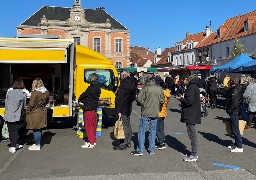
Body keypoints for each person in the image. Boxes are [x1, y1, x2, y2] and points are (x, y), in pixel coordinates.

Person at [131, 73, 164, 156]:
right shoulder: (159, 88)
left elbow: (138, 99)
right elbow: (162, 100)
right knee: (153, 131)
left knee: (142, 131)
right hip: (155, 112)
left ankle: (140, 150)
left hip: (146, 112)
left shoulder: (146, 88)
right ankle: (151, 149)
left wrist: (143, 103)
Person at [176, 74, 201, 162]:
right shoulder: (195, 87)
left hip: (190, 113)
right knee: (192, 133)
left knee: (192, 134)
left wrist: (181, 99)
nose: (184, 82)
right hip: (193, 112)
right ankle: (194, 153)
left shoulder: (191, 87)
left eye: (185, 80)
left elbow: (189, 101)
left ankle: (194, 154)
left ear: (187, 79)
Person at [114, 70, 137, 150]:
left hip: (123, 107)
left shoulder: (124, 84)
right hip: (128, 106)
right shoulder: (132, 83)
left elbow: (120, 98)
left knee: (124, 125)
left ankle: (124, 143)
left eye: (120, 75)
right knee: (127, 125)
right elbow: (134, 97)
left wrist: (119, 111)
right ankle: (128, 141)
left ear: (123, 75)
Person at [3, 78, 27, 153]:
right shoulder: (23, 94)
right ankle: (13, 146)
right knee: (15, 131)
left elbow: (6, 104)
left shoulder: (9, 93)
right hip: (16, 115)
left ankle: (14, 143)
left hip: (8, 114)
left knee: (11, 130)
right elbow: (23, 106)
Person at [78, 73, 101, 148]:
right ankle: (93, 141)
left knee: (89, 126)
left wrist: (80, 101)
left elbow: (83, 95)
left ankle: (90, 142)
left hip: (88, 109)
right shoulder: (98, 88)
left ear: (92, 79)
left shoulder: (90, 88)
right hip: (94, 108)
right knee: (94, 126)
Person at [26, 78, 49, 151]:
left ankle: (37, 144)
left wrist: (27, 111)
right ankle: (37, 143)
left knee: (36, 129)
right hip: (42, 111)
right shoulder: (46, 91)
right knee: (38, 128)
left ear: (35, 84)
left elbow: (31, 104)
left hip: (35, 112)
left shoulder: (35, 93)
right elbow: (47, 101)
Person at [226, 77, 243, 152]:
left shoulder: (235, 90)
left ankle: (239, 146)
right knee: (234, 128)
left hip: (234, 111)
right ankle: (236, 144)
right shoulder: (237, 89)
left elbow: (234, 103)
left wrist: (229, 110)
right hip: (235, 111)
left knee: (235, 129)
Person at [155, 82, 171, 150]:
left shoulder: (162, 94)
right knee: (161, 128)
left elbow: (159, 103)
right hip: (163, 112)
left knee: (157, 128)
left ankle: (161, 142)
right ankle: (161, 141)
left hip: (159, 113)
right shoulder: (167, 93)